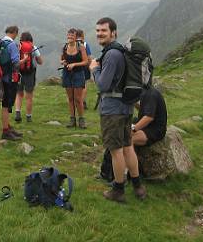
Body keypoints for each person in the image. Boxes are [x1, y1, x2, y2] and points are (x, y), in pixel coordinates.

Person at [89, 17, 146, 202]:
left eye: (103, 30)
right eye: (97, 30)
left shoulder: (112, 54)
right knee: (128, 147)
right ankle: (138, 187)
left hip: (112, 110)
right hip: (126, 107)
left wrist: (94, 69)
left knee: (116, 151)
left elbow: (103, 85)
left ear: (113, 32)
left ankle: (118, 190)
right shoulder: (120, 51)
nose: (99, 34)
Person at [0, 26, 26, 140]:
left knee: (6, 103)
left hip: (1, 77)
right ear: (15, 33)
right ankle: (5, 131)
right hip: (10, 78)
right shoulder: (12, 45)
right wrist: (24, 59)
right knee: (6, 104)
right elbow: (16, 64)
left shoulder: (0, 43)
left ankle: (8, 127)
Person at [61, 28, 89, 129]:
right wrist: (63, 62)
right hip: (67, 74)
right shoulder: (64, 47)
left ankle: (81, 120)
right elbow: (62, 58)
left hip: (78, 74)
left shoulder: (80, 47)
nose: (70, 37)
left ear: (75, 37)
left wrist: (74, 64)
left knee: (78, 99)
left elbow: (86, 62)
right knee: (70, 98)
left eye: (72, 35)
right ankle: (72, 119)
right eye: (68, 35)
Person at [14, 32, 43, 123]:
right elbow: (40, 62)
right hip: (30, 74)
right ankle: (28, 116)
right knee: (29, 96)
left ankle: (17, 112)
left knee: (19, 94)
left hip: (18, 73)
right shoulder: (33, 48)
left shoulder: (17, 47)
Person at [76, 29, 92, 110]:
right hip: (84, 66)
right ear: (82, 35)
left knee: (76, 85)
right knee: (84, 84)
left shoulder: (73, 44)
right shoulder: (85, 44)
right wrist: (90, 65)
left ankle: (78, 101)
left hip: (75, 67)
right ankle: (82, 102)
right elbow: (89, 57)